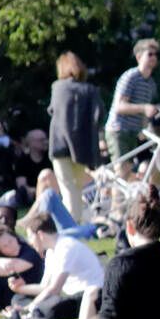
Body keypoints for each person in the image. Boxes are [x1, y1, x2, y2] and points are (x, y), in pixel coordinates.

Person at [47, 50, 106, 215]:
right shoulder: (91, 90)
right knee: (77, 187)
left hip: (60, 144)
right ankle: (76, 222)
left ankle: (72, 226)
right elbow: (99, 115)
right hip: (83, 147)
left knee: (67, 187)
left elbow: (52, 110)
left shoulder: (57, 88)